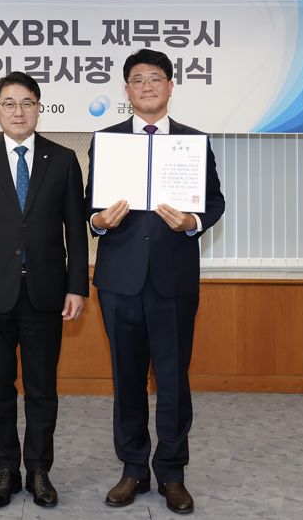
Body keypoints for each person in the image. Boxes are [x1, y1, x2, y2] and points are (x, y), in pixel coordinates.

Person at [85, 49, 225, 515]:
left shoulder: (193, 142)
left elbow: (215, 202)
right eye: (138, 79)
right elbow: (89, 205)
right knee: (126, 379)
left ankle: (172, 473)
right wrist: (99, 221)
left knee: (173, 380)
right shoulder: (107, 141)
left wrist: (192, 222)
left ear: (170, 86)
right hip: (120, 282)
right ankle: (133, 469)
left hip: (173, 281)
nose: (147, 86)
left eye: (156, 78)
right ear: (126, 90)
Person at [0, 71, 89, 510]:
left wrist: (77, 286)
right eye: (9, 103)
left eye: (27, 102)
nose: (18, 111)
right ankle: (6, 470)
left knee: (42, 388)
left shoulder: (63, 160)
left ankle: (40, 470)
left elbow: (76, 231)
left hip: (46, 292)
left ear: (39, 108)